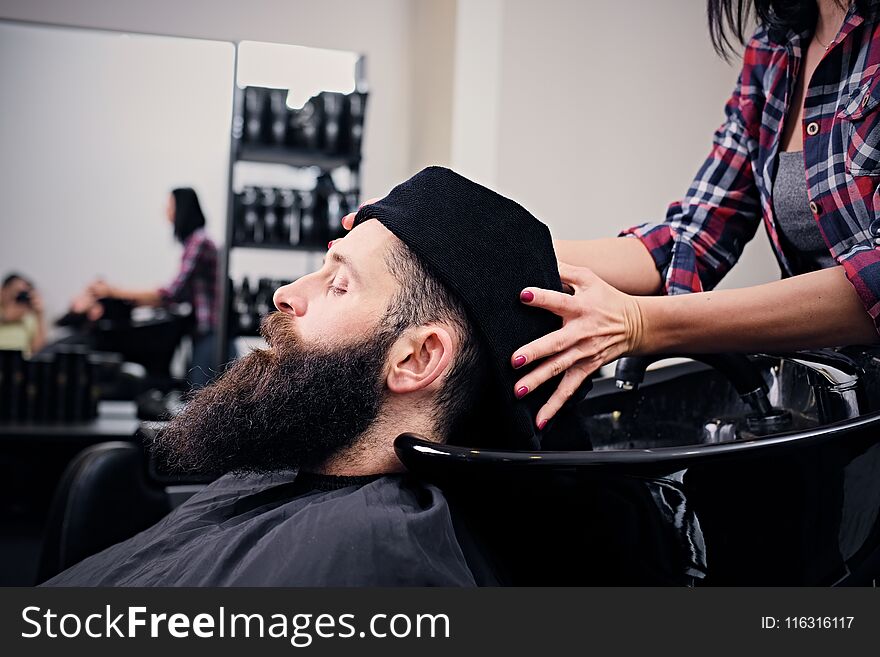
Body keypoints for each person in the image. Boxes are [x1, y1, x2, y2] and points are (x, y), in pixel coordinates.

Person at [342, 0, 880, 430]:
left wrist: (642, 324)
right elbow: (692, 235)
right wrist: (461, 244)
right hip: (827, 393)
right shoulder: (776, 50)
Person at [41, 167, 564, 586]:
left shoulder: (374, 563)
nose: (285, 294)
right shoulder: (288, 480)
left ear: (417, 359)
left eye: (338, 283)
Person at [89, 187, 219, 387]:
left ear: (182, 209)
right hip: (202, 331)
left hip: (210, 331)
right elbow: (178, 296)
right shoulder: (195, 242)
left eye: (170, 207)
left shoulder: (199, 242)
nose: (166, 212)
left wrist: (114, 292)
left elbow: (170, 293)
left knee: (203, 395)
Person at [0, 273, 46, 356]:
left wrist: (40, 315)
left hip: (21, 364)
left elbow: (37, 349)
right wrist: (5, 318)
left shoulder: (29, 316)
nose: (18, 296)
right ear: (3, 290)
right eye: (15, 291)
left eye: (23, 293)